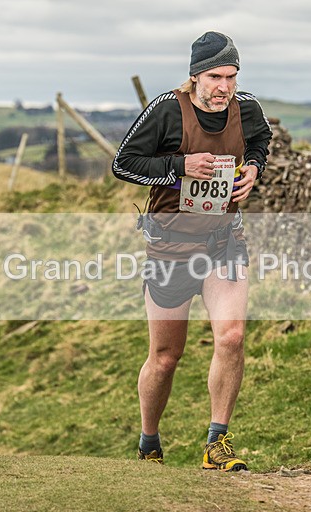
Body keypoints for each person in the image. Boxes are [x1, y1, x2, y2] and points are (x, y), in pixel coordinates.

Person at [112, 31, 272, 471]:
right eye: (216, 76)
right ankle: (149, 443)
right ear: (195, 76)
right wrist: (179, 166)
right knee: (165, 358)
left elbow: (259, 140)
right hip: (169, 250)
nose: (225, 87)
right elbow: (123, 163)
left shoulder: (248, 108)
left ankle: (216, 444)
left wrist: (254, 167)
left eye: (232, 76)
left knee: (233, 337)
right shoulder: (166, 110)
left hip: (224, 244)